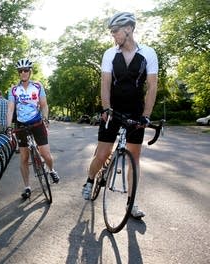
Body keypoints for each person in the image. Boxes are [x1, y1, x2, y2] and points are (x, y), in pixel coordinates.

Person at [82, 12, 158, 219]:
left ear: (128, 29)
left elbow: (152, 87)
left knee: (134, 157)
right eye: (112, 32)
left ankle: (131, 203)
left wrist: (146, 115)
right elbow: (105, 83)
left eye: (115, 31)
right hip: (113, 110)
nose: (113, 35)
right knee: (102, 154)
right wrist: (106, 108)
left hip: (135, 111)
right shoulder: (109, 54)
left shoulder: (148, 53)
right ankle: (90, 180)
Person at [6, 58, 59, 199]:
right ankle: (27, 187)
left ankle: (52, 170)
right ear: (18, 73)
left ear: (30, 72)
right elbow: (10, 110)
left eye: (26, 70)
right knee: (24, 157)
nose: (23, 73)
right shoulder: (13, 90)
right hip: (21, 125)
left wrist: (46, 118)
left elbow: (44, 105)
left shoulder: (38, 86)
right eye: (21, 71)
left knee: (46, 154)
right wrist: (8, 127)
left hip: (37, 123)